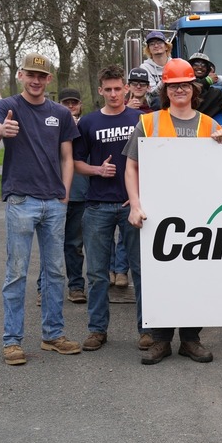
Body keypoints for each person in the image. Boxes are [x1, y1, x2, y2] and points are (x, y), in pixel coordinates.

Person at [124, 58, 222, 365]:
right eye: (173, 86)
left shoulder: (210, 125)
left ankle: (191, 339)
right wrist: (135, 204)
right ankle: (160, 340)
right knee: (159, 276)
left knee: (196, 276)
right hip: (157, 215)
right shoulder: (148, 123)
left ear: (194, 89)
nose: (179, 90)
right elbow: (131, 167)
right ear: (165, 90)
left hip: (199, 215)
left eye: (184, 85)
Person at [0, 52, 82, 366]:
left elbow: (67, 157)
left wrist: (65, 194)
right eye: (30, 75)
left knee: (55, 272)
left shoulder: (60, 113)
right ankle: (12, 341)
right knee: (16, 272)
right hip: (21, 200)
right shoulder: (7, 106)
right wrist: (0, 131)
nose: (36, 81)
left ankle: (53, 335)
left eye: (41, 76)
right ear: (21, 75)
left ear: (48, 79)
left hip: (54, 202)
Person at [73, 65, 149, 353]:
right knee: (96, 273)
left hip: (132, 206)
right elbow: (75, 162)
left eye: (118, 88)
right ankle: (97, 330)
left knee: (141, 271)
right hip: (98, 205)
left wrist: (139, 196)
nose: (114, 94)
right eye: (108, 89)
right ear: (100, 90)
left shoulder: (141, 119)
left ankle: (147, 330)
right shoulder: (88, 122)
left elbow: (156, 159)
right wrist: (97, 170)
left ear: (126, 88)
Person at [36, 88, 87, 307]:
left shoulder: (87, 126)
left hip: (79, 193)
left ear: (80, 105)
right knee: (50, 244)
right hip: (53, 194)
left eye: (74, 103)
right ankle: (44, 288)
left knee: (74, 244)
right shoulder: (51, 124)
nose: (71, 106)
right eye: (66, 103)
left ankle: (76, 287)